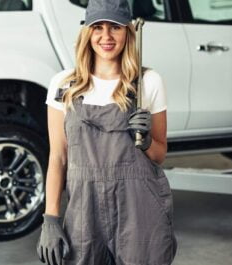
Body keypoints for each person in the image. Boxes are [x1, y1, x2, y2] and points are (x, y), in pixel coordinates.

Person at [36, 0, 177, 264]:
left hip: (139, 210)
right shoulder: (65, 85)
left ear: (128, 31)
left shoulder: (148, 82)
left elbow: (159, 156)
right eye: (97, 27)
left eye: (115, 27)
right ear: (87, 32)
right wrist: (51, 218)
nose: (106, 36)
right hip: (83, 212)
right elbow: (58, 157)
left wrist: (146, 141)